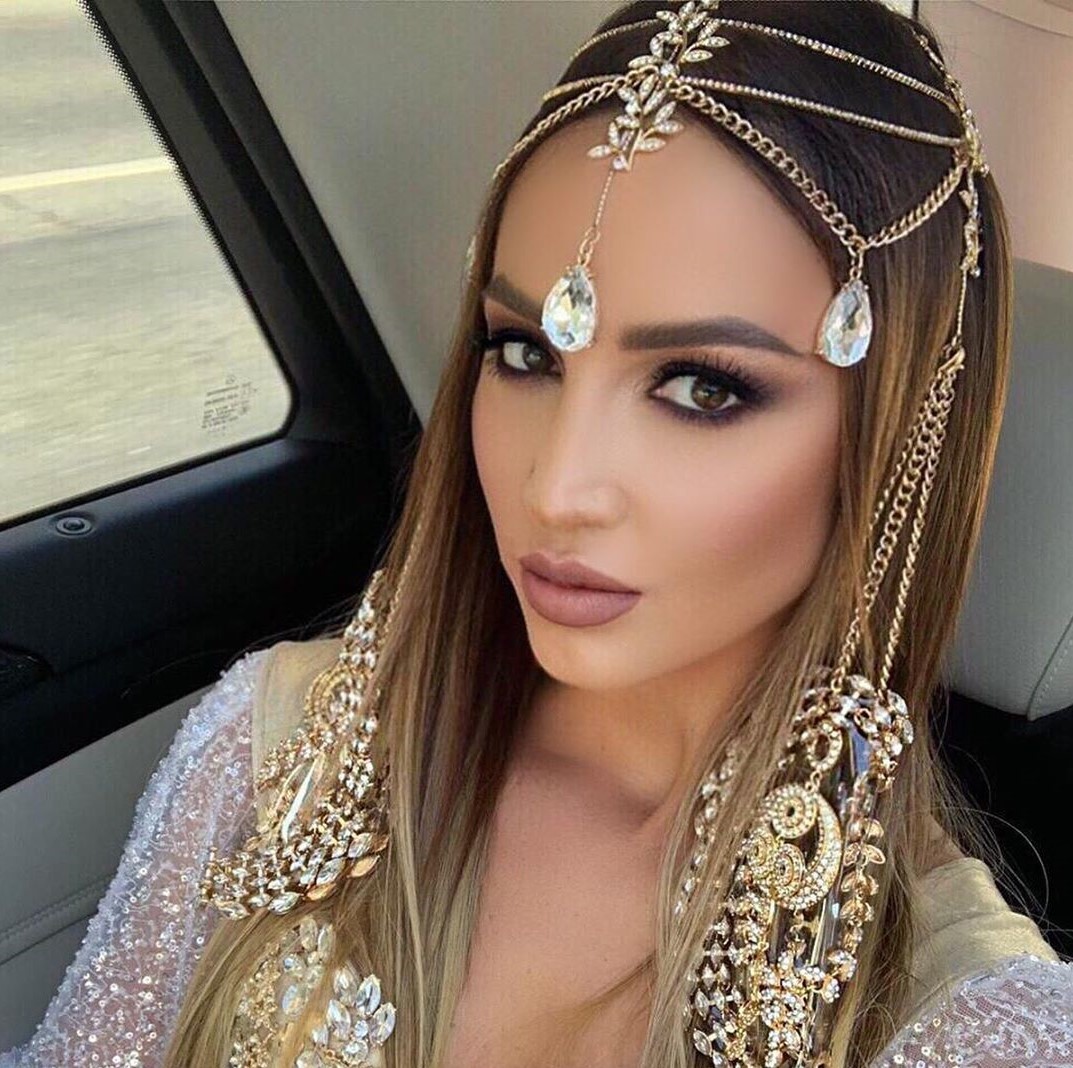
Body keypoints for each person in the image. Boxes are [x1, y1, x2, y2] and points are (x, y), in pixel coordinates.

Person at [4, 1, 1072, 1066]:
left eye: (702, 388)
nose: (554, 487)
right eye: (525, 354)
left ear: (893, 438)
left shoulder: (972, 1031)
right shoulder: (273, 750)